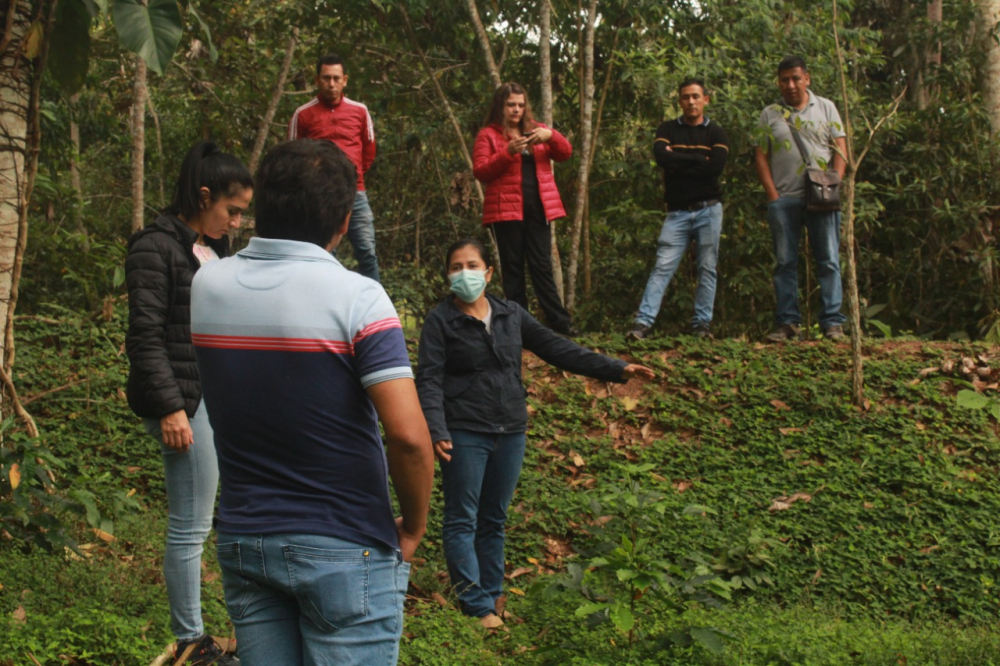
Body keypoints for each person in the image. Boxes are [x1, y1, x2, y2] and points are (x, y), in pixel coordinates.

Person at [190, 139, 434, 666]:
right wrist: (413, 527)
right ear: (345, 222)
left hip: (245, 539)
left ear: (262, 205)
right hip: (346, 542)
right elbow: (410, 438)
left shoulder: (207, 284)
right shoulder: (358, 298)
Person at [415, 238, 654, 628]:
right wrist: (437, 427)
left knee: (493, 518)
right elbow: (428, 378)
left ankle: (492, 598)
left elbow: (558, 348)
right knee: (462, 518)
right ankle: (476, 606)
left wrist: (617, 368)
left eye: (472, 265)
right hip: (464, 429)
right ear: (447, 275)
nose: (464, 273)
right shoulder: (439, 320)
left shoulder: (512, 315)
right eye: (456, 267)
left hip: (510, 429)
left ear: (488, 272)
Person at [125, 141, 252, 666]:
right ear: (203, 196)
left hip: (214, 398)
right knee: (191, 523)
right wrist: (171, 408)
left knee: (211, 520)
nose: (237, 222)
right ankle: (189, 642)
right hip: (183, 401)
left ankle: (205, 636)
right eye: (232, 210)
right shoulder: (154, 248)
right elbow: (145, 336)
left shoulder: (212, 249)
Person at [754, 55, 847, 342]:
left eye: (796, 78)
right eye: (785, 80)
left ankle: (832, 323)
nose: (791, 84)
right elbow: (760, 155)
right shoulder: (770, 113)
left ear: (807, 78)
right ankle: (787, 324)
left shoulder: (826, 107)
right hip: (785, 199)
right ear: (779, 82)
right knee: (784, 262)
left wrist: (834, 182)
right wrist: (772, 194)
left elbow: (840, 148)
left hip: (822, 196)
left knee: (828, 259)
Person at [628, 77, 729, 341]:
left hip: (709, 209)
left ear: (706, 99)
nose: (691, 101)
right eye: (686, 97)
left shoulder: (716, 132)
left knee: (707, 267)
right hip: (677, 213)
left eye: (696, 96)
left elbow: (715, 167)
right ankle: (643, 323)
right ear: (679, 100)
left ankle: (702, 325)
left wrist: (679, 161)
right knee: (662, 266)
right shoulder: (668, 128)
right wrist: (697, 158)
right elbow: (662, 157)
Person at [473, 82, 578, 337]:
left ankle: (560, 324)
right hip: (505, 212)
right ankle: (520, 327)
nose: (516, 110)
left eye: (520, 105)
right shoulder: (488, 135)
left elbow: (565, 153)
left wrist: (551, 135)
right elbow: (480, 171)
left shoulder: (537, 131)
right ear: (501, 106)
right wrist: (507, 152)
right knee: (513, 269)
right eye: (511, 105)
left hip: (538, 209)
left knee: (542, 266)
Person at [288, 54, 380, 282]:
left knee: (367, 252)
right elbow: (292, 155)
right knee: (325, 253)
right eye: (326, 78)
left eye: (336, 78)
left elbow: (368, 151)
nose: (331, 84)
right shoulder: (303, 114)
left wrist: (352, 177)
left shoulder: (359, 111)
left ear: (345, 80)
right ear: (317, 80)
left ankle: (377, 309)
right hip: (319, 195)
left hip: (355, 192)